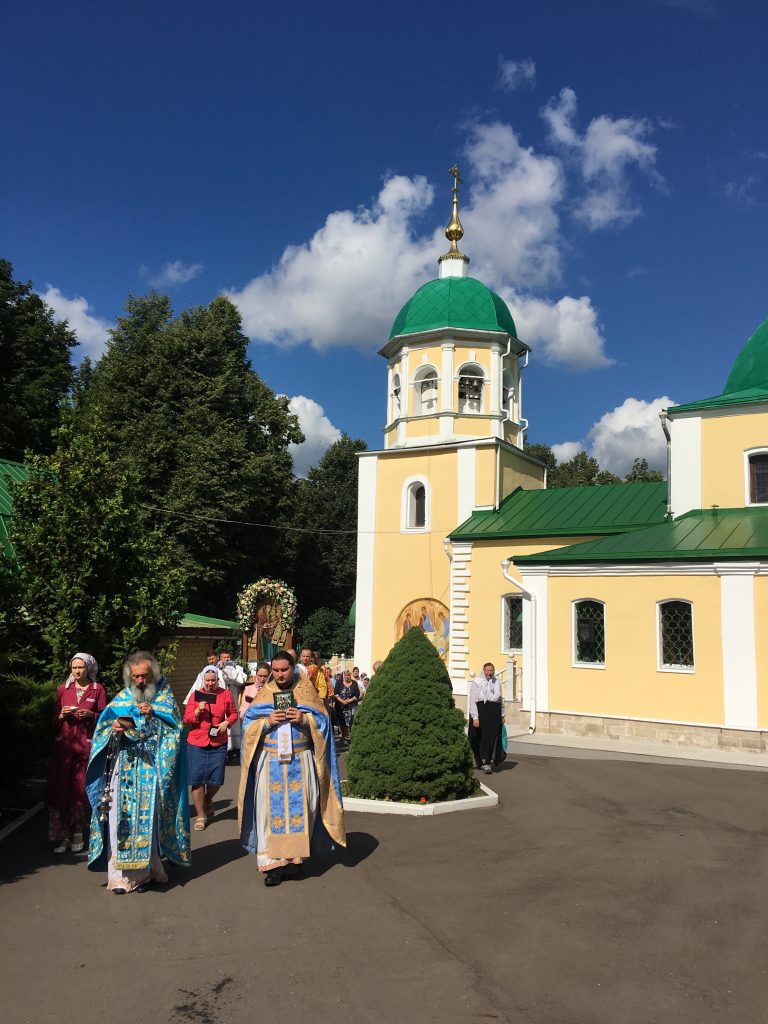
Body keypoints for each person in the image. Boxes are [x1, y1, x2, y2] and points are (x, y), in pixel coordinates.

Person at [238, 650, 345, 887]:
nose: (279, 675)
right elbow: (247, 726)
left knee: (303, 808)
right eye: (275, 671)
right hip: (271, 761)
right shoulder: (265, 693)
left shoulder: (306, 692)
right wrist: (266, 722)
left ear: (293, 667)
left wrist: (305, 720)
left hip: (300, 758)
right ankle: (274, 865)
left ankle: (295, 861)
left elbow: (324, 723)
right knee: (268, 812)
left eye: (283, 670)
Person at [86, 651, 190, 894]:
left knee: (147, 820)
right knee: (118, 819)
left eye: (144, 676)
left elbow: (176, 732)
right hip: (123, 770)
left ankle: (146, 874)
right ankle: (120, 877)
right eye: (136, 677)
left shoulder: (164, 698)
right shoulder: (122, 698)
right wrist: (113, 729)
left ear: (153, 673)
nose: (140, 681)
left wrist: (153, 716)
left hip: (149, 769)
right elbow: (102, 730)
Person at [46, 653, 107, 854]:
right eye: (74, 668)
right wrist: (61, 715)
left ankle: (79, 831)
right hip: (64, 749)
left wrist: (91, 715)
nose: (77, 671)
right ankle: (63, 836)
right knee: (61, 790)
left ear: (89, 668)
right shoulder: (63, 689)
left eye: (81, 667)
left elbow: (105, 719)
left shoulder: (97, 690)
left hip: (85, 747)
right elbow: (53, 721)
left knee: (79, 791)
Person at [184, 667, 237, 830]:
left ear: (217, 680)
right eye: (207, 680)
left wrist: (226, 723)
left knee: (216, 778)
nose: (210, 683)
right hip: (197, 742)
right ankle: (201, 815)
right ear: (203, 680)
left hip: (217, 742)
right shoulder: (195, 695)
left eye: (213, 680)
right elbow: (186, 719)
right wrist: (197, 710)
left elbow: (234, 714)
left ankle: (208, 798)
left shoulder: (225, 694)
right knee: (197, 780)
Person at [468, 662, 506, 774]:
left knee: (492, 737)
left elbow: (500, 700)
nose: (489, 673)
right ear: (483, 671)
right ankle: (478, 758)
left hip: (494, 712)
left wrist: (502, 715)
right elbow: (472, 700)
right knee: (477, 736)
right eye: (487, 670)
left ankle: (487, 762)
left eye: (491, 670)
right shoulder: (477, 682)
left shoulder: (497, 681)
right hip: (481, 711)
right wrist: (475, 717)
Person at [218, 650, 247, 761]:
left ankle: (234, 749)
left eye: (228, 657)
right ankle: (223, 748)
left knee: (234, 723)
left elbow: (241, 680)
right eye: (224, 657)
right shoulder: (216, 670)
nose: (226, 659)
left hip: (234, 698)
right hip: (221, 700)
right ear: (220, 658)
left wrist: (229, 672)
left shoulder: (238, 668)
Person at [334, 670, 360, 745]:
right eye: (345, 675)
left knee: (350, 722)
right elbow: (335, 694)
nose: (347, 676)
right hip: (341, 706)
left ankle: (348, 737)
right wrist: (342, 701)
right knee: (342, 723)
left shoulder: (354, 683)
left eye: (348, 675)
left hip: (351, 706)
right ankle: (344, 737)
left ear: (350, 675)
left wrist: (350, 700)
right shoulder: (339, 682)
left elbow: (357, 694)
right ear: (343, 676)